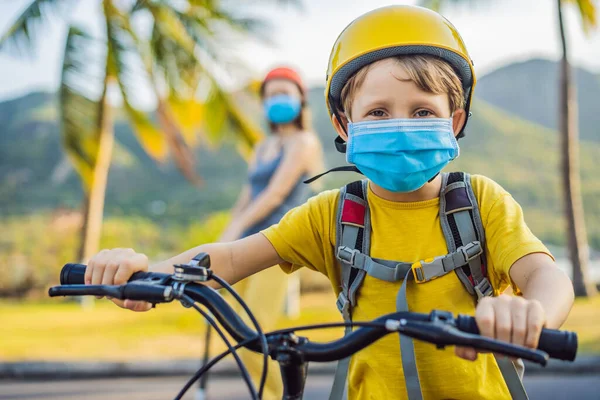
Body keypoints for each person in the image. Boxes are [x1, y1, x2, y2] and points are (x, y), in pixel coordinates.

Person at [83, 5, 574, 400]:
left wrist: (533, 313)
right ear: (344, 126)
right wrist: (150, 273)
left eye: (422, 111)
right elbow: (230, 257)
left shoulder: (480, 203)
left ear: (454, 120)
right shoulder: (333, 215)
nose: (398, 125)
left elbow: (545, 276)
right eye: (377, 112)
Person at [214, 66, 324, 399]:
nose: (277, 100)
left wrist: (236, 228)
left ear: (300, 100)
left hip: (277, 245)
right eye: (271, 94)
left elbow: (275, 194)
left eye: (284, 93)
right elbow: (248, 195)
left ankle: (279, 396)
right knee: (231, 324)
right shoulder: (263, 146)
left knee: (253, 334)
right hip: (247, 243)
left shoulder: (303, 142)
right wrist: (223, 238)